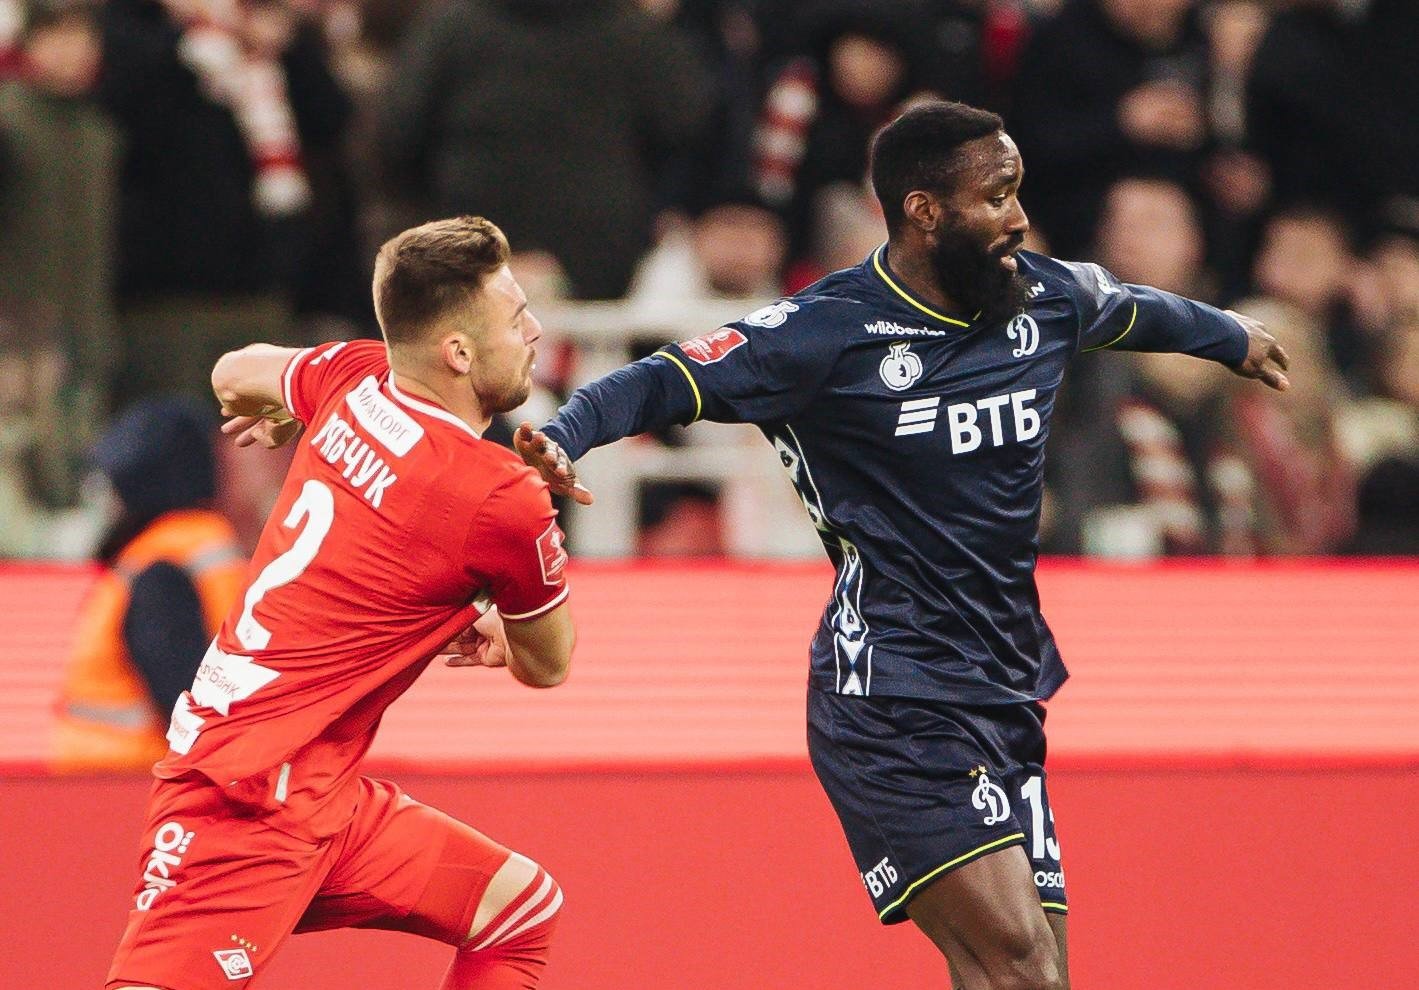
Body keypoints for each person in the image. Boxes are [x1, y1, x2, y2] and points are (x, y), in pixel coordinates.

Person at [516, 101, 1288, 989]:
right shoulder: (822, 332)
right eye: (995, 196)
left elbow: (1126, 308)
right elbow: (664, 378)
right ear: (924, 211)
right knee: (1018, 966)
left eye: (1016, 192)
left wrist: (1231, 337)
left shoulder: (1038, 297)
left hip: (1004, 686)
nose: (1017, 217)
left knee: (1026, 974)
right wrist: (563, 436)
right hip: (891, 695)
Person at [105, 216, 576, 990]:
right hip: (244, 803)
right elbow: (548, 663)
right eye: (515, 316)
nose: (533, 332)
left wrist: (287, 408)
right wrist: (504, 629)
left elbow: (234, 371)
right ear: (458, 352)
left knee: (518, 909)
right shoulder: (500, 495)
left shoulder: (355, 378)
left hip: (318, 790)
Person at [54, 397, 245, 771]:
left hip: (129, 786)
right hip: (144, 782)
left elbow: (182, 700)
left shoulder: (159, 571)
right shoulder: (206, 548)